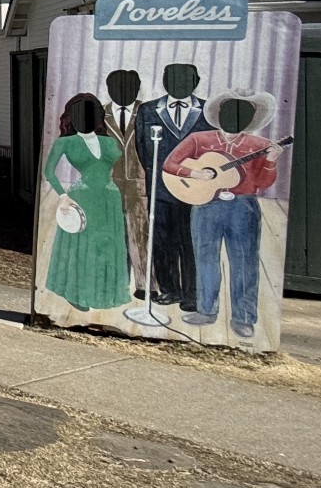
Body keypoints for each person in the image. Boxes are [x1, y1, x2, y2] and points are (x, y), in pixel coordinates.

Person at [165, 92, 284, 340]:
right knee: (205, 258)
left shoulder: (258, 145)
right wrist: (194, 174)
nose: (234, 118)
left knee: (243, 262)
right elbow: (170, 163)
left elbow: (263, 182)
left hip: (243, 207)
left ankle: (243, 317)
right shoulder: (199, 139)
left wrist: (271, 160)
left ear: (250, 119)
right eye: (229, 112)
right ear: (219, 115)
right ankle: (206, 311)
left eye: (242, 114)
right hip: (206, 203)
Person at [43, 92, 132, 311]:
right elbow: (49, 172)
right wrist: (63, 197)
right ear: (71, 117)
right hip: (82, 199)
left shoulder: (109, 141)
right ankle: (78, 293)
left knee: (108, 245)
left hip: (109, 199)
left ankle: (104, 293)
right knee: (83, 247)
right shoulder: (65, 142)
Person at [134, 63, 208, 316]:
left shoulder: (208, 111)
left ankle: (192, 294)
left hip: (196, 188)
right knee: (163, 239)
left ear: (195, 82)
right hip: (161, 186)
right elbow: (142, 147)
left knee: (191, 241)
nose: (177, 84)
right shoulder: (148, 110)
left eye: (185, 79)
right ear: (164, 81)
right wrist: (157, 175)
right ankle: (169, 288)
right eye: (171, 78)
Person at [103, 69, 148, 293]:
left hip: (140, 183)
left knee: (141, 234)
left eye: (130, 87)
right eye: (116, 87)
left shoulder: (147, 113)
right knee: (113, 234)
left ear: (137, 88)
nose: (122, 92)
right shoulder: (101, 115)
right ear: (108, 89)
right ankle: (118, 282)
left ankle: (144, 284)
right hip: (110, 184)